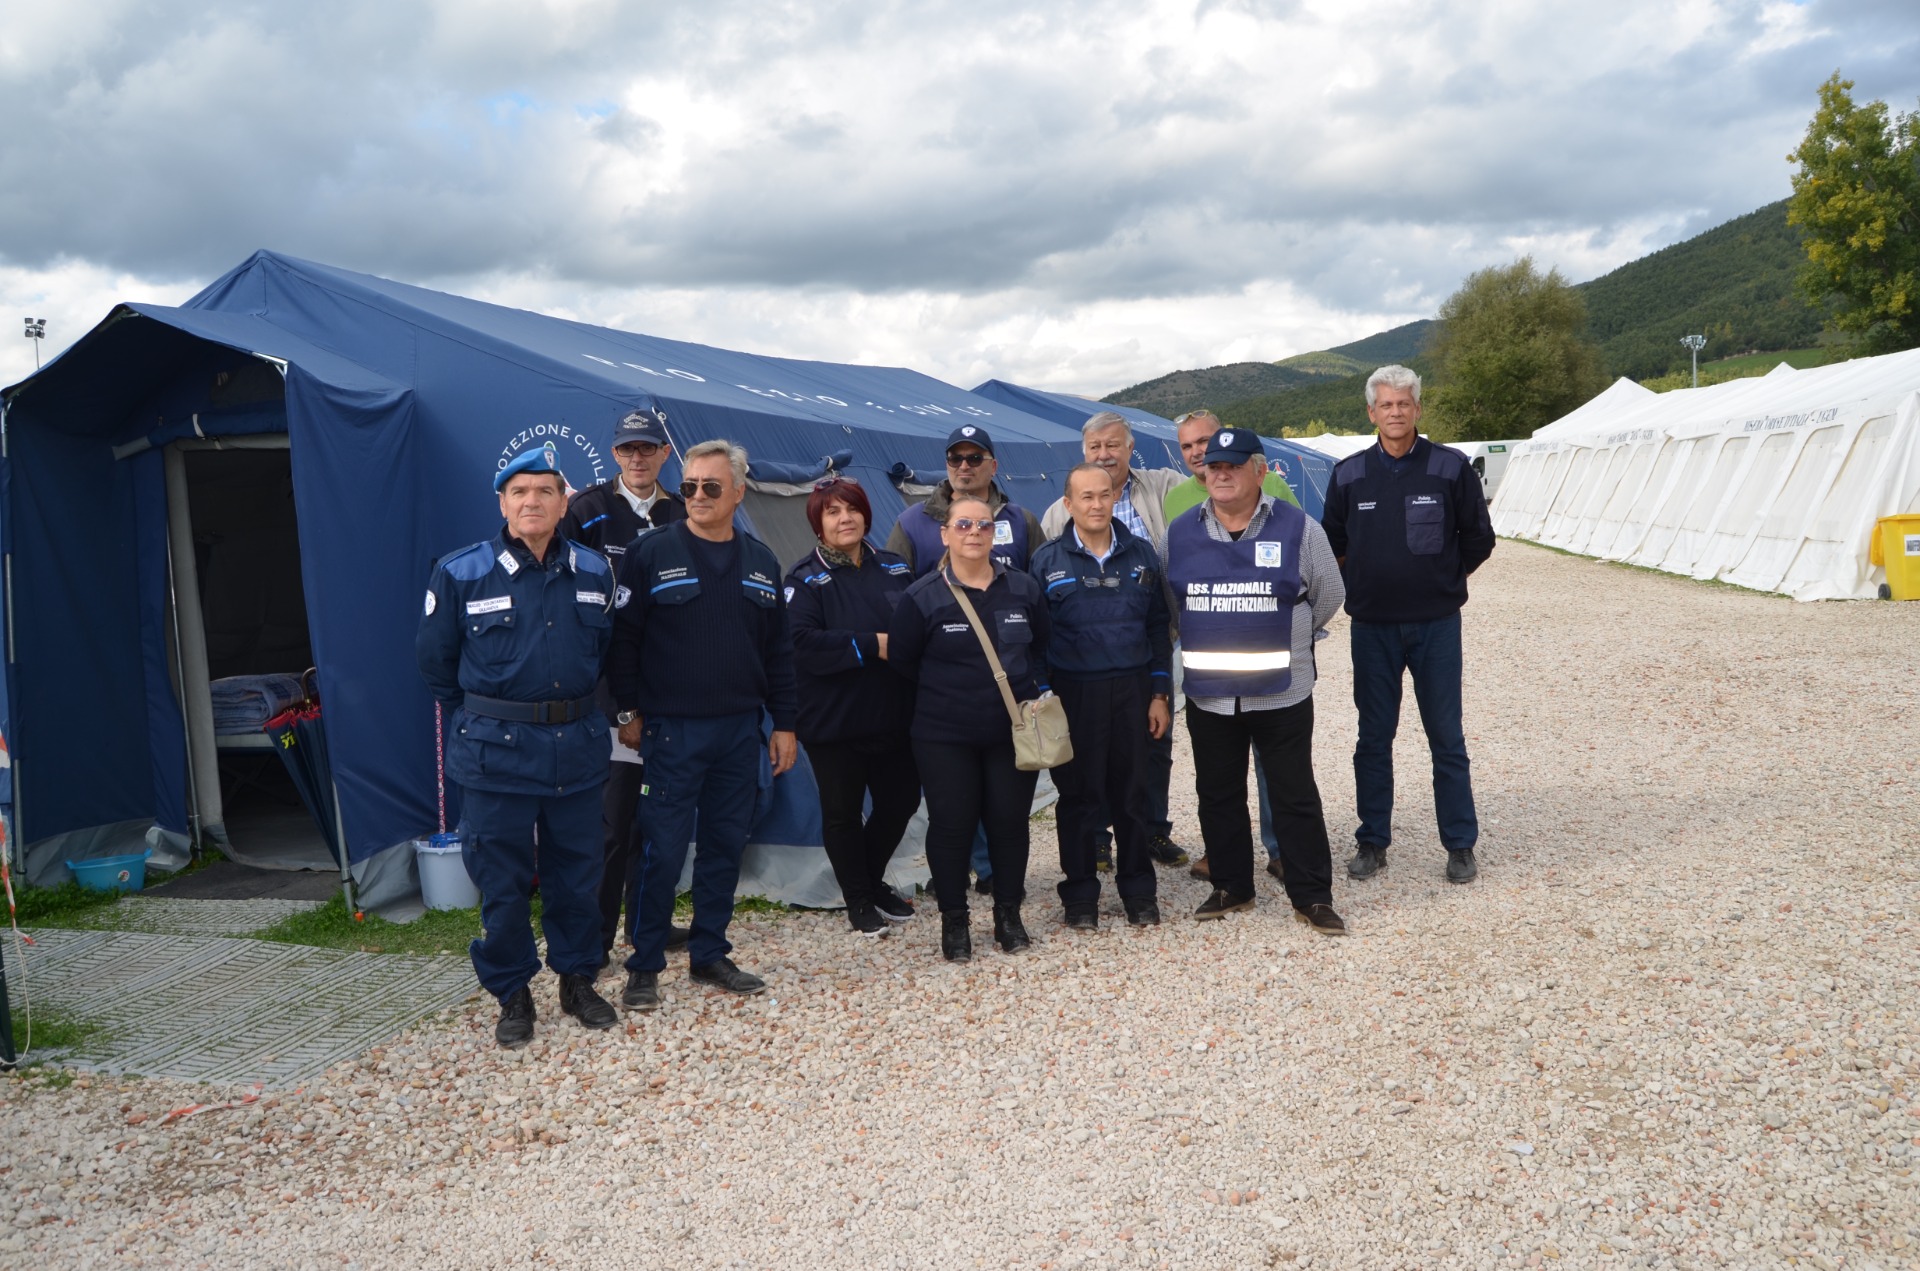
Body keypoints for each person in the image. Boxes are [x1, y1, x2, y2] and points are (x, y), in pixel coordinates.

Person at [417, 443, 620, 1047]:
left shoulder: (593, 571)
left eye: (545, 491)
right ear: (502, 503)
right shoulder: (461, 573)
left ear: (562, 502)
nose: (532, 501)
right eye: (520, 492)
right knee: (502, 882)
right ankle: (512, 991)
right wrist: (486, 719)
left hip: (576, 749)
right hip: (496, 754)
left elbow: (602, 651)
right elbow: (436, 665)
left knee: (577, 875)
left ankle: (577, 979)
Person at [607, 439, 798, 1010]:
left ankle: (710, 952)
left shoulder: (761, 560)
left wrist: (785, 724)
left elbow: (779, 653)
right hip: (672, 733)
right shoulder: (650, 553)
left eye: (710, 486)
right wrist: (627, 711)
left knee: (724, 847)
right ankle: (644, 964)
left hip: (739, 732)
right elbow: (623, 641)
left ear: (738, 492)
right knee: (661, 852)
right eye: (688, 486)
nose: (697, 495)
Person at [1165, 427, 1347, 935]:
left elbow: (1329, 594)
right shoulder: (1179, 532)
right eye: (1214, 467)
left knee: (1294, 794)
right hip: (1211, 695)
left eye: (1234, 465)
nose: (1221, 474)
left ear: (1260, 471)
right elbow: (1171, 602)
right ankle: (1232, 886)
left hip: (1282, 691)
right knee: (1217, 793)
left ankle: (1312, 895)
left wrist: (1290, 634)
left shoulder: (1299, 527)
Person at [1320, 365, 1495, 885]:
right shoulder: (1349, 475)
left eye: (1403, 403)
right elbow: (1331, 546)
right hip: (1373, 629)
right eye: (1386, 405)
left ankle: (1460, 844)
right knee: (1373, 738)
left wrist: (1442, 580)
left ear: (1418, 408)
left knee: (1446, 737)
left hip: (1435, 626)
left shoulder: (1449, 467)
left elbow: (1478, 538)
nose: (1395, 412)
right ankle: (1372, 841)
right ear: (1371, 413)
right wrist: (1368, 582)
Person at [554, 402, 690, 970]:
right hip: (609, 693)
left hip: (668, 689)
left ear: (664, 454)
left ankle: (645, 926)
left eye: (648, 448)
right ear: (614, 454)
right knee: (613, 826)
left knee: (657, 823)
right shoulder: (587, 510)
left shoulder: (681, 510)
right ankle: (597, 938)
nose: (638, 458)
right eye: (628, 449)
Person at [887, 495, 1051, 961]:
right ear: (945, 534)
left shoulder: (1023, 589)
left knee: (1009, 823)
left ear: (995, 534)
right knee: (952, 825)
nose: (974, 533)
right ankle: (954, 920)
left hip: (1010, 733)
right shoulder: (922, 596)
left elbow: (1042, 646)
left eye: (983, 525)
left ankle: (1008, 914)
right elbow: (902, 662)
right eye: (963, 525)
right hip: (944, 735)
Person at [1038, 411, 1190, 870]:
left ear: (1130, 448)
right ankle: (1098, 840)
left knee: (1152, 747)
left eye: (1113, 445)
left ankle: (1152, 831)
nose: (1104, 454)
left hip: (1147, 648)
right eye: (1095, 447)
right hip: (1082, 663)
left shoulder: (1163, 487)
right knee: (1089, 757)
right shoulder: (1055, 515)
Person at [1029, 463, 1173, 929]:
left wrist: (1160, 693)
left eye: (1104, 495)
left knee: (1132, 795)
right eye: (1086, 497)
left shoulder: (1141, 554)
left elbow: (1157, 627)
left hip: (1133, 690)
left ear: (1115, 498)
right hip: (1074, 694)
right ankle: (1080, 897)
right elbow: (1035, 641)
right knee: (1078, 798)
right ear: (1068, 504)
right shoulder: (1047, 560)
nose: (1096, 504)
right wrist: (1045, 697)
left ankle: (1139, 892)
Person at [1163, 408, 1301, 888]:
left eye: (1206, 443)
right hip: (1210, 670)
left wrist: (1282, 628)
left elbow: (1317, 585)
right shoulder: (1177, 505)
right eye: (1190, 448)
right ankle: (1226, 863)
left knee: (1276, 772)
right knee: (1218, 778)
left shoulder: (1277, 493)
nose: (1201, 456)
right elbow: (1172, 586)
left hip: (1269, 668)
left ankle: (1283, 853)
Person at [784, 476, 921, 938]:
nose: (845, 519)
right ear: (818, 523)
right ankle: (858, 898)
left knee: (901, 802)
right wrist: (872, 644)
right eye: (833, 512)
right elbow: (801, 643)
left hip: (894, 715)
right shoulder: (805, 578)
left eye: (853, 509)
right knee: (842, 813)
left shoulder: (895, 568)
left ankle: (869, 879)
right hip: (836, 721)